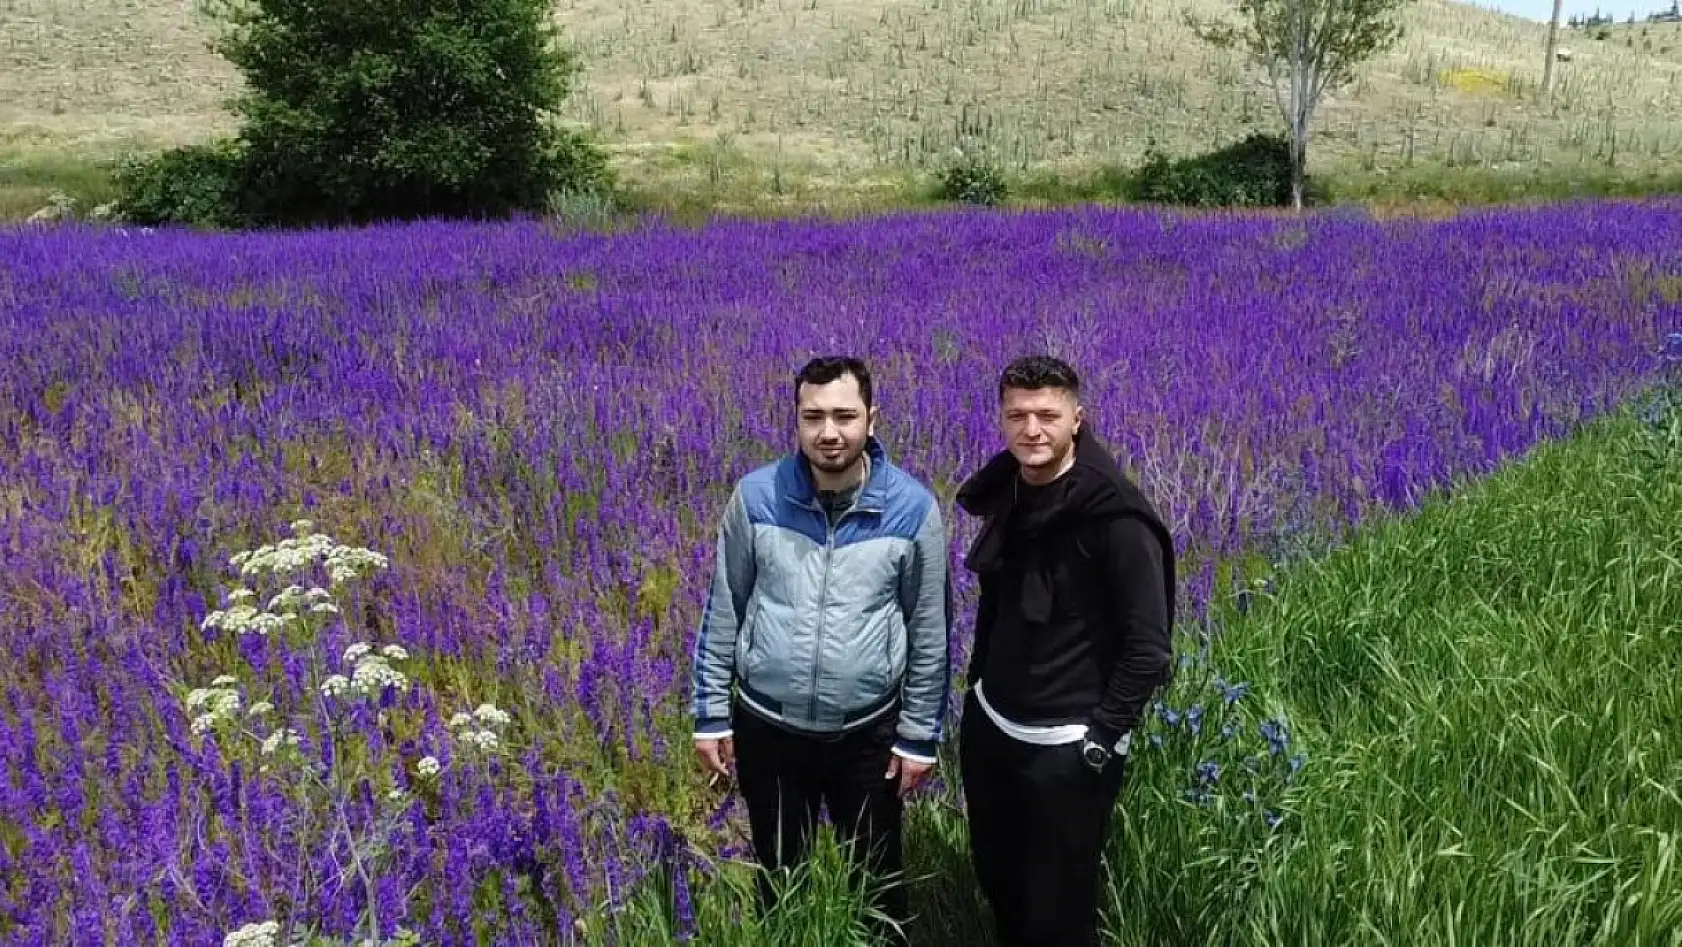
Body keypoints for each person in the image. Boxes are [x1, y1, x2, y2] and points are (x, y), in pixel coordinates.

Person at [689, 355, 952, 944]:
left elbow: (930, 630)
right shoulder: (756, 498)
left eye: (843, 416)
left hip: (868, 736)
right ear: (796, 420)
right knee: (780, 879)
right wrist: (709, 715)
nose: (829, 432)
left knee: (879, 881)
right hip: (768, 729)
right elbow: (724, 607)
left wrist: (918, 736)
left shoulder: (911, 509)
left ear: (871, 419)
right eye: (813, 417)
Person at [953, 355, 1176, 947]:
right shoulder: (1012, 492)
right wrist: (975, 698)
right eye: (1017, 415)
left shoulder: (1117, 519)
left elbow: (1149, 646)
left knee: (1059, 915)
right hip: (995, 730)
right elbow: (994, 604)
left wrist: (1101, 740)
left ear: (1076, 419)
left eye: (1047, 415)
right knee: (1000, 886)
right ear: (1001, 420)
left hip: (1068, 750)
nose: (1032, 429)